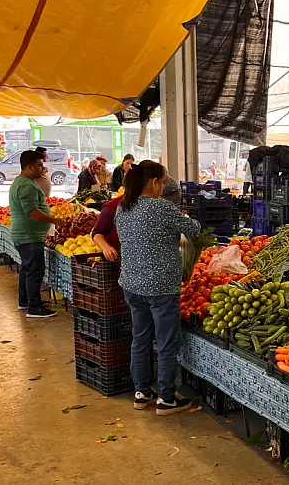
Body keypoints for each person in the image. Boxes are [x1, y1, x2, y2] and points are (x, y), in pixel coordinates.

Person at [114, 160, 200, 415]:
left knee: (140, 338)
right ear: (154, 182)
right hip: (161, 287)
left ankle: (141, 392)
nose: (163, 186)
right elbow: (193, 230)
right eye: (162, 182)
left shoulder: (123, 207)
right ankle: (166, 398)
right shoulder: (162, 207)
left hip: (132, 283)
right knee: (165, 342)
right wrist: (184, 217)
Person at [9, 150, 65, 318]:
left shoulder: (22, 181)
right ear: (30, 166)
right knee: (35, 270)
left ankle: (25, 300)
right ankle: (34, 307)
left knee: (27, 269)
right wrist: (55, 221)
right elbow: (32, 212)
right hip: (29, 235)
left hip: (25, 235)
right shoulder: (26, 185)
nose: (42, 168)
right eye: (40, 165)